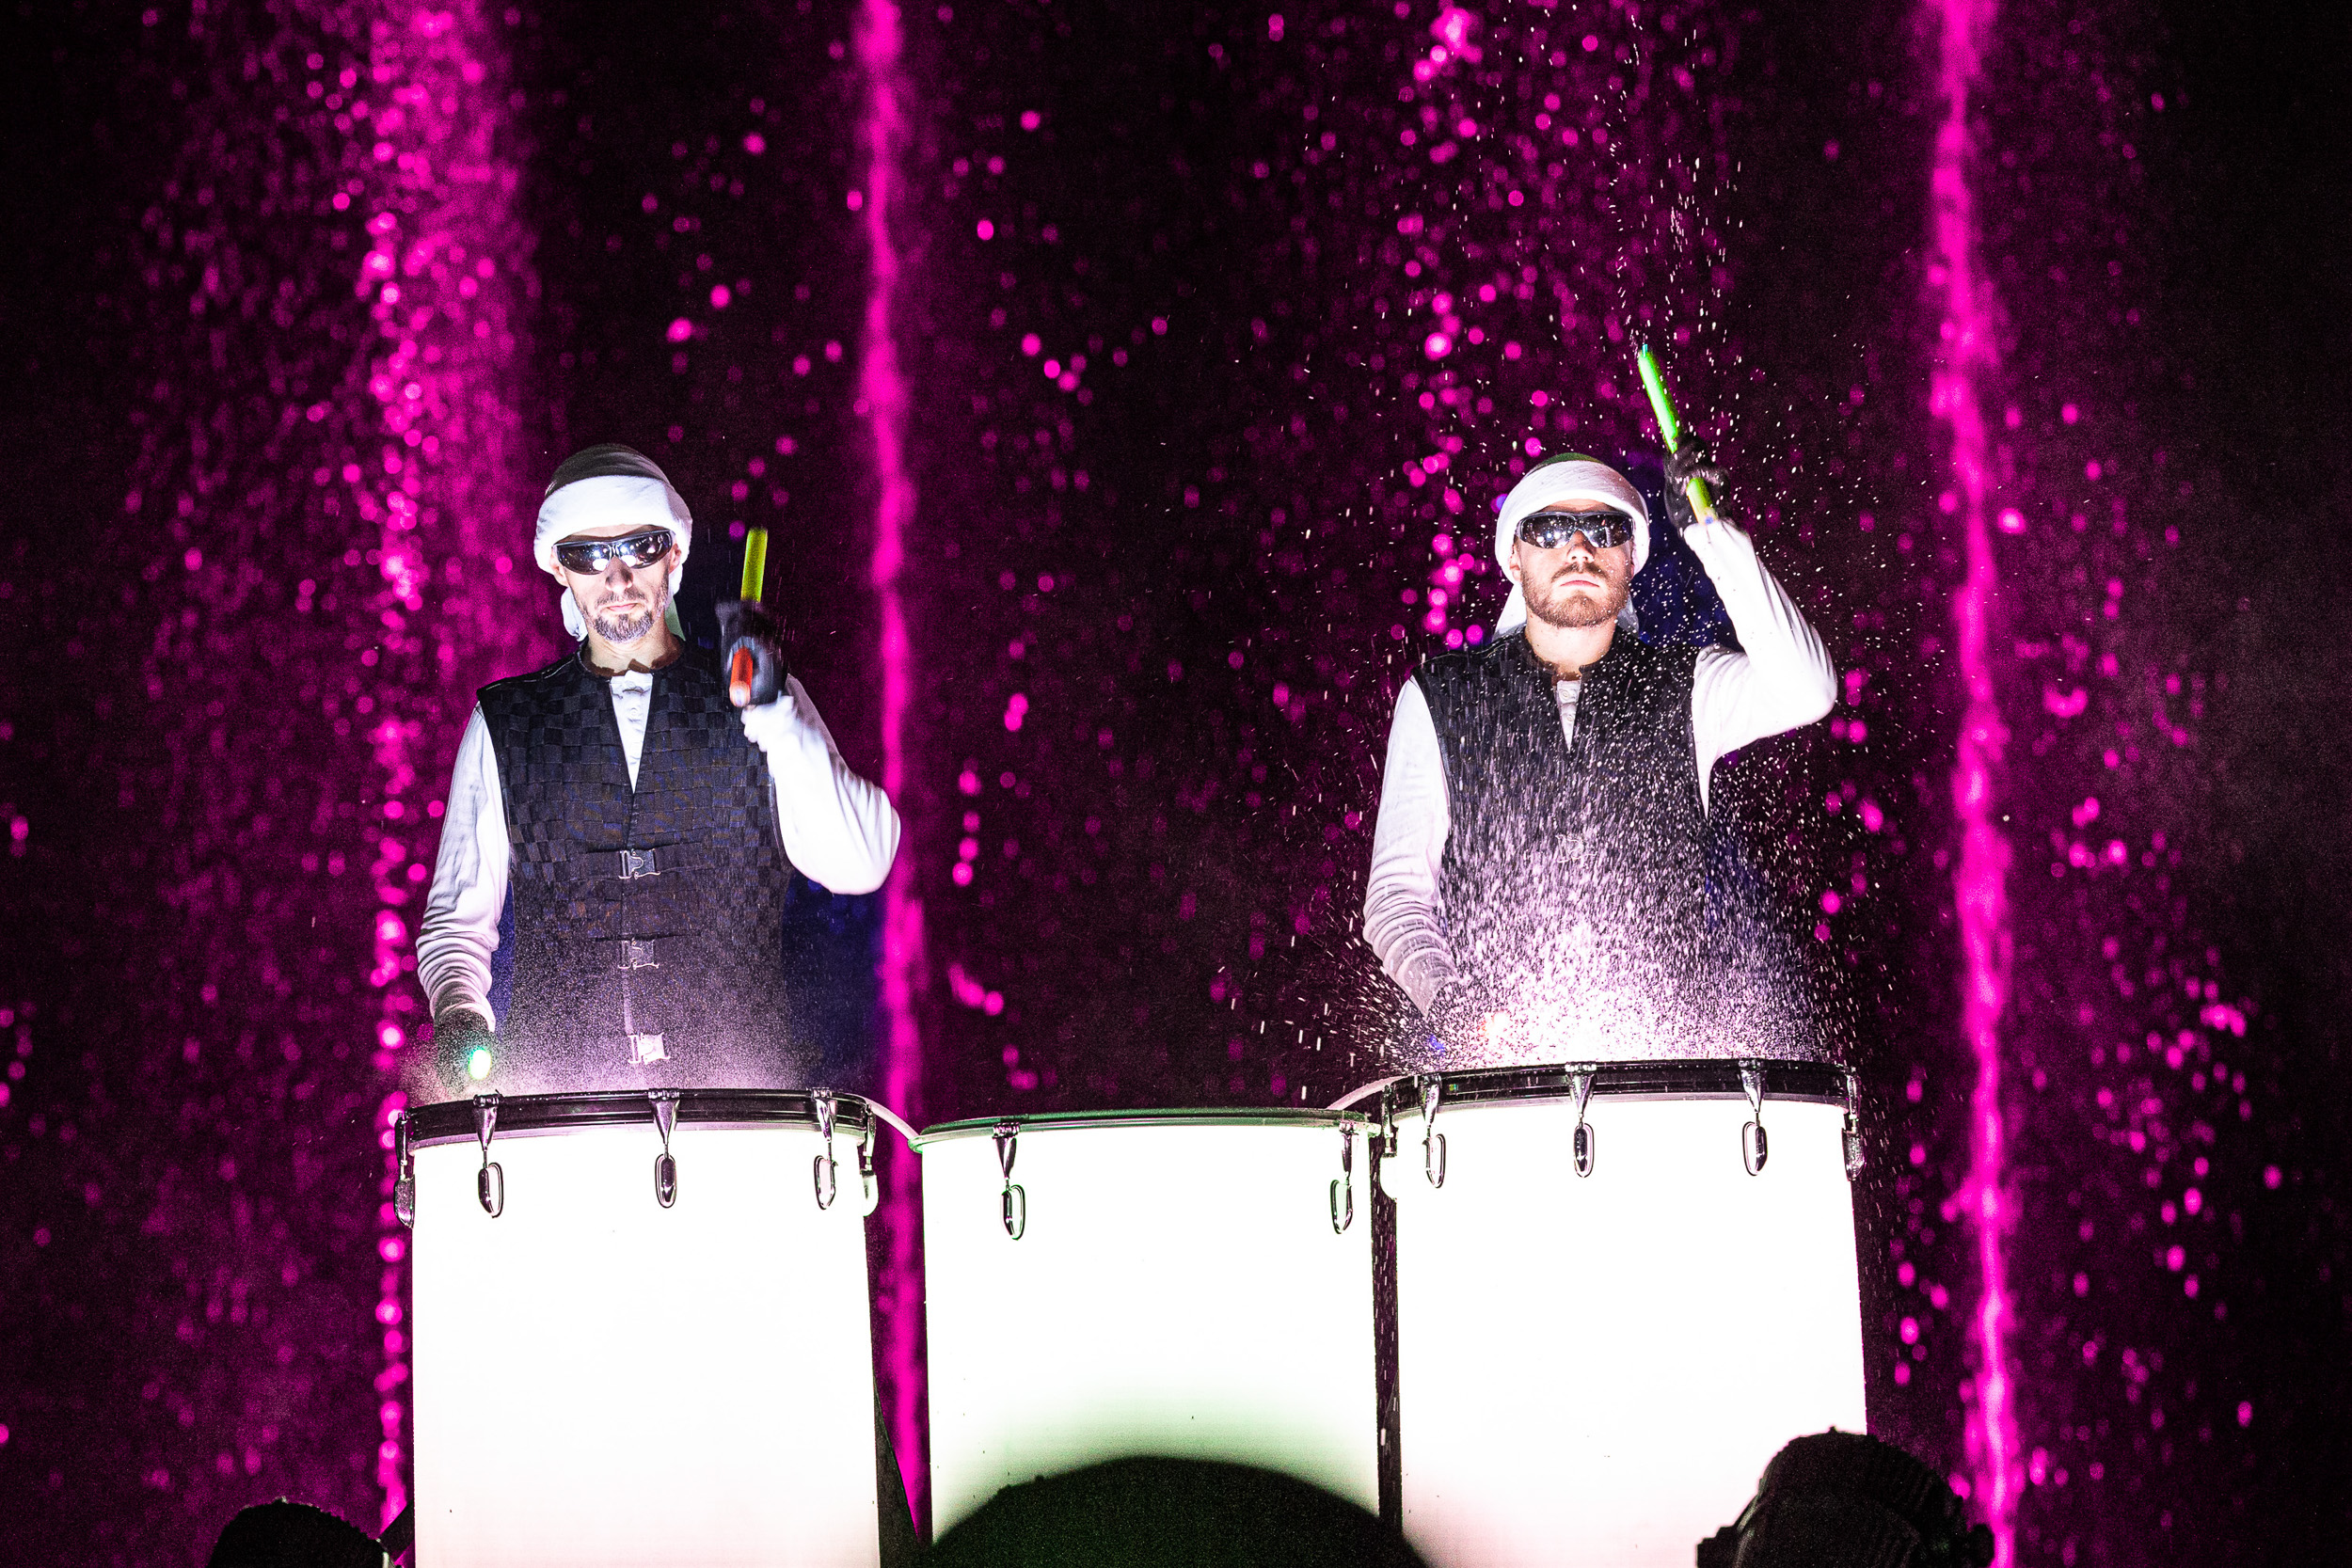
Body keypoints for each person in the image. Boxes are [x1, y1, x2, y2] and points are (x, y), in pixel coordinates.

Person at [413, 444, 899, 1098]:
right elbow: (456, 925)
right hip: (558, 1125)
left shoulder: (764, 701)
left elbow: (862, 861)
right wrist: (459, 1014)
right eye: (588, 554)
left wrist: (774, 715)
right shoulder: (505, 720)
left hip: (738, 1118)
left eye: (639, 548)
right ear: (559, 568)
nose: (616, 579)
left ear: (674, 554)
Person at [1361, 448, 1836, 1061]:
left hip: (1666, 1077)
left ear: (1631, 556)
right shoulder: (1441, 696)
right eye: (1550, 529)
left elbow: (1808, 689)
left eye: (1605, 528)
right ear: (1513, 555)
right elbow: (1395, 899)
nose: (1579, 548)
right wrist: (1456, 1006)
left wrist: (1714, 534)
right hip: (1498, 1085)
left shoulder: (1690, 686)